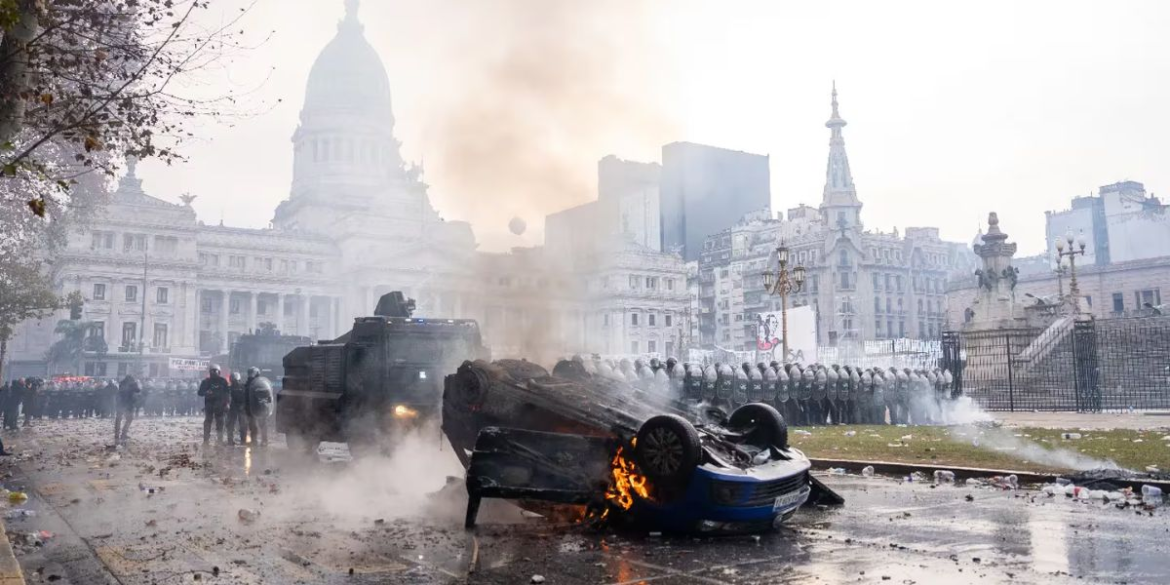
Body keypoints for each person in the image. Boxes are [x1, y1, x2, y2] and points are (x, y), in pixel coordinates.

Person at [198, 365, 231, 446]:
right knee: (208, 422)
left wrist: (227, 404)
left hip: (220, 405)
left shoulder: (223, 381)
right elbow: (200, 393)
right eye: (212, 371)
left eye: (215, 371)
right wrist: (206, 392)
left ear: (219, 372)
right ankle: (206, 440)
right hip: (209, 405)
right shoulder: (206, 382)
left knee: (220, 422)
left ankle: (220, 440)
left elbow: (227, 393)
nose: (214, 373)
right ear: (210, 372)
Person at [244, 367, 273, 447]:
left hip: (260, 406)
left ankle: (264, 441)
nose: (250, 375)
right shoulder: (248, 383)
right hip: (251, 407)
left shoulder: (260, 383)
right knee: (253, 425)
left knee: (261, 425)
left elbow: (268, 397)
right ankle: (255, 441)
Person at [114, 374, 141, 445]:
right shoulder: (133, 384)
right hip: (128, 404)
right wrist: (136, 383)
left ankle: (116, 435)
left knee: (118, 419)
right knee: (129, 419)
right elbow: (138, 390)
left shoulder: (121, 383)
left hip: (120, 404)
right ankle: (123, 433)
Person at [225, 372, 247, 446]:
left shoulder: (229, 388)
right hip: (236, 408)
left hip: (237, 408)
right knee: (236, 425)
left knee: (234, 425)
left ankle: (232, 441)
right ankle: (239, 441)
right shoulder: (243, 387)